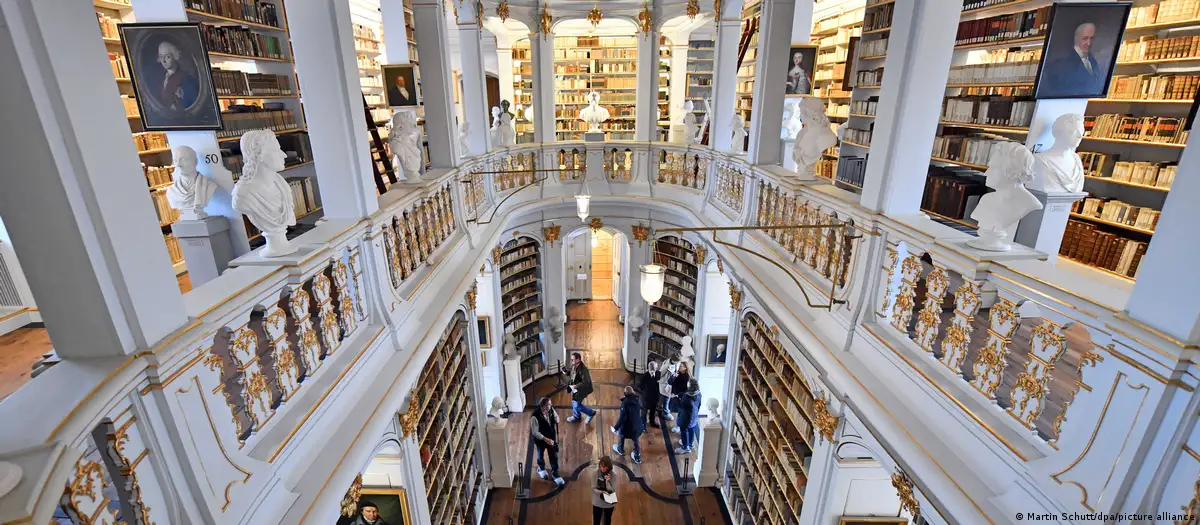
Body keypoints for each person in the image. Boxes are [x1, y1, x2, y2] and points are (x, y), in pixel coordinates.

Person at [1042, 22, 1105, 96]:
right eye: (1085, 38)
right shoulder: (1061, 63)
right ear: (1076, 38)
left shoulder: (1093, 61)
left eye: (1091, 38)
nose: (1089, 43)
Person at [156, 40, 199, 114]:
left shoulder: (186, 78)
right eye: (161, 56)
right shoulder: (160, 78)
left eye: (168, 57)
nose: (163, 60)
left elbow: (192, 104)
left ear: (175, 56)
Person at [530, 397, 565, 486]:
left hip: (551, 438)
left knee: (553, 456)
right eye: (549, 404)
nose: (551, 405)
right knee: (540, 454)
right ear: (543, 406)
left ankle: (555, 474)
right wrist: (545, 439)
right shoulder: (535, 416)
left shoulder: (551, 410)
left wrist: (556, 418)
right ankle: (541, 468)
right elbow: (535, 432)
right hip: (540, 440)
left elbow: (557, 419)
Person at [610, 386, 644, 464]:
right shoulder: (637, 399)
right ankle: (637, 456)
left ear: (625, 393)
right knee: (635, 439)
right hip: (637, 425)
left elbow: (622, 418)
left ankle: (620, 449)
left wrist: (615, 428)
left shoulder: (624, 404)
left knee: (621, 434)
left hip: (628, 427)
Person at [565, 352, 596, 423]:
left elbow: (586, 382)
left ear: (578, 359)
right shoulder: (574, 365)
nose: (571, 361)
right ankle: (577, 417)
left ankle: (591, 413)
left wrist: (576, 386)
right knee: (575, 402)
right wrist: (567, 372)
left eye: (573, 359)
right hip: (576, 389)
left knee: (576, 405)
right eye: (571, 359)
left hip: (582, 389)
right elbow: (573, 374)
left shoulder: (583, 370)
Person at [675, 378, 702, 454]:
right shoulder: (699, 394)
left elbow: (681, 406)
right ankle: (691, 443)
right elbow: (699, 404)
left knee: (684, 430)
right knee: (691, 428)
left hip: (686, 417)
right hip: (694, 415)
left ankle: (685, 447)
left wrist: (677, 399)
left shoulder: (686, 396)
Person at [592, 456, 617, 525]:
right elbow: (594, 489)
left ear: (609, 467)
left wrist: (607, 482)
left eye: (604, 467)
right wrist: (602, 492)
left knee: (607, 520)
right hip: (597, 501)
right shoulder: (595, 474)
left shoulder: (614, 475)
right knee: (596, 520)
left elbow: (612, 490)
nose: (602, 468)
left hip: (609, 502)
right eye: (601, 466)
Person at [638, 361, 662, 428]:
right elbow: (641, 386)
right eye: (651, 369)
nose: (652, 371)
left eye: (654, 369)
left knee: (653, 410)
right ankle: (643, 424)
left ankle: (652, 422)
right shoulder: (644, 376)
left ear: (656, 368)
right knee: (644, 411)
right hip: (646, 397)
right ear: (648, 368)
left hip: (655, 397)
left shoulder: (658, 374)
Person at [670, 361, 691, 434]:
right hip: (675, 395)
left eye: (681, 366)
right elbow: (671, 382)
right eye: (679, 366)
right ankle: (677, 425)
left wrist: (679, 395)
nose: (679, 367)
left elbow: (687, 389)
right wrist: (674, 376)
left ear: (685, 368)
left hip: (681, 396)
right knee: (676, 411)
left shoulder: (687, 377)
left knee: (679, 412)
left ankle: (678, 426)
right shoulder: (677, 374)